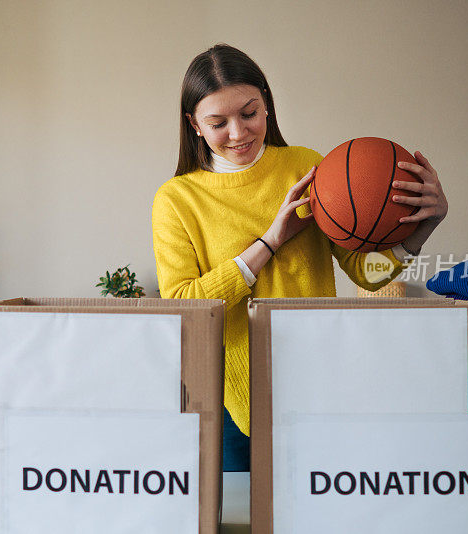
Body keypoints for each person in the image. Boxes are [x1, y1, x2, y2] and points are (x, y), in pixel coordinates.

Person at [151, 44, 448, 471]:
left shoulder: (309, 168)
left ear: (267, 104)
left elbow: (366, 274)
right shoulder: (176, 199)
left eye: (249, 113)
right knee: (238, 520)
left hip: (317, 381)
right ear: (194, 125)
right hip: (227, 395)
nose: (238, 133)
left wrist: (422, 229)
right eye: (218, 122)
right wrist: (270, 242)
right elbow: (183, 305)